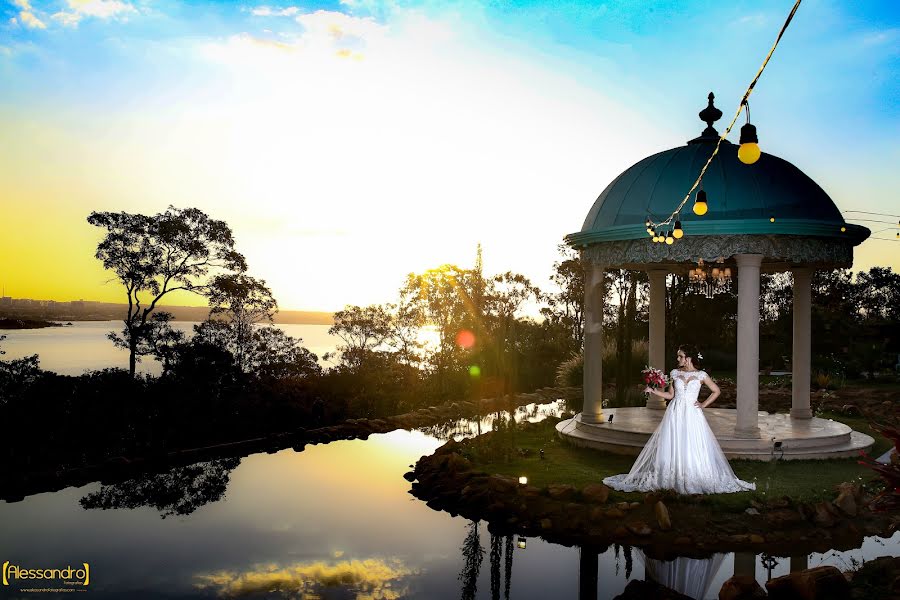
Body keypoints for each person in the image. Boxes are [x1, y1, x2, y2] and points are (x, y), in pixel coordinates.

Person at [602, 344, 755, 495]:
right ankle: (672, 474)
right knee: (673, 440)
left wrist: (703, 404)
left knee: (691, 442)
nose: (678, 358)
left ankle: (691, 475)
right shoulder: (674, 373)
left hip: (692, 414)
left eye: (680, 356)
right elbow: (670, 395)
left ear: (688, 358)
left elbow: (716, 391)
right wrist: (653, 390)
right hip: (675, 412)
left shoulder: (701, 375)